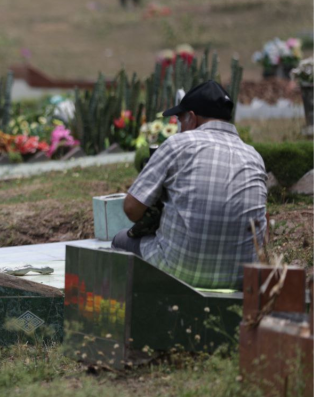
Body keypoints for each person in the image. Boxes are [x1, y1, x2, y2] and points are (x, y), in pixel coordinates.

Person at [112, 80, 268, 290]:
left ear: (192, 118)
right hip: (241, 277)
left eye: (179, 120)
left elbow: (131, 209)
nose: (179, 127)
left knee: (120, 240)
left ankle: (144, 310)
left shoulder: (178, 143)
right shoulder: (254, 156)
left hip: (179, 270)